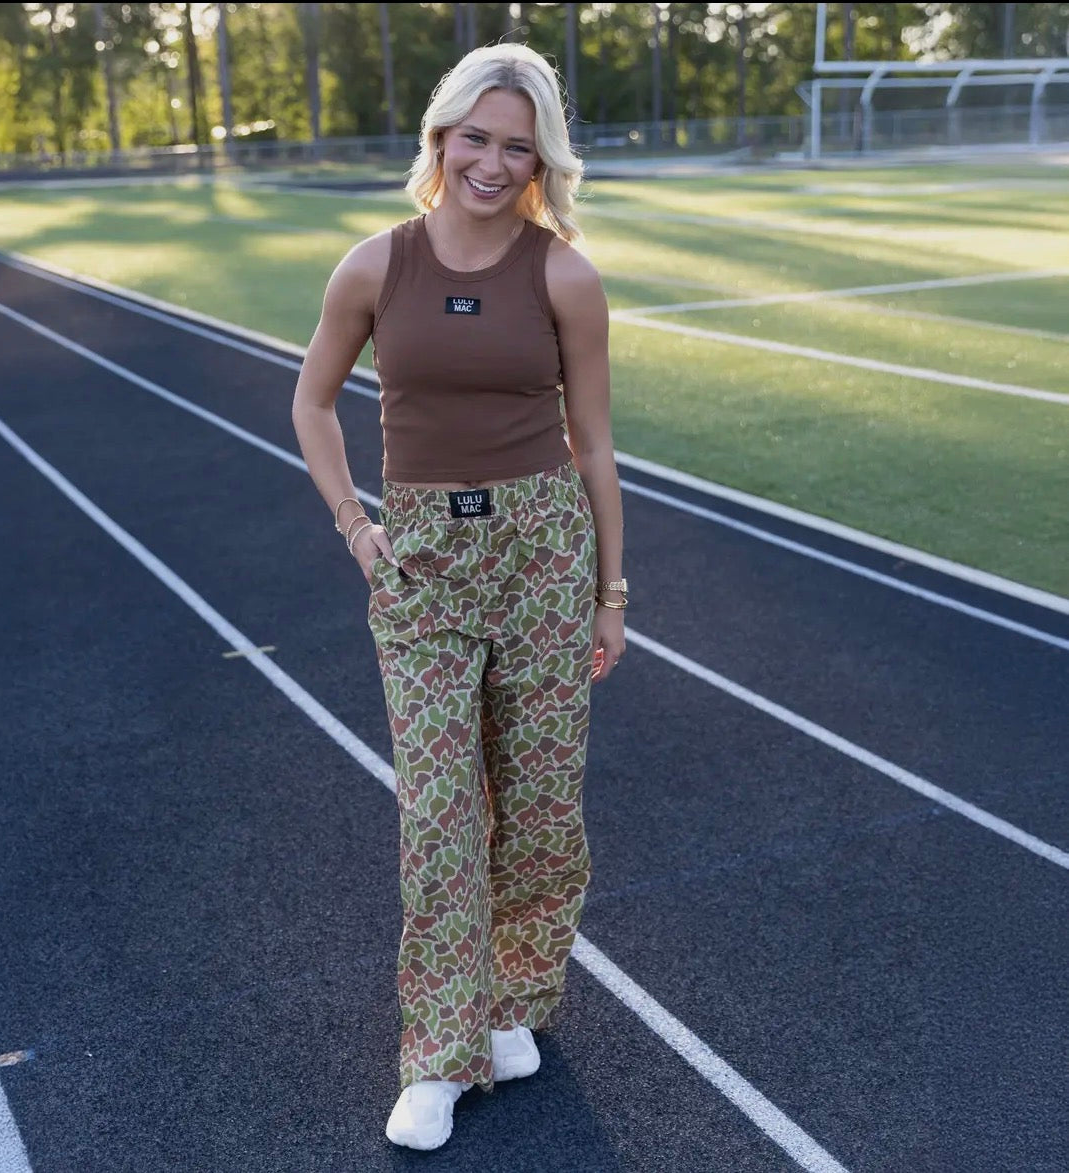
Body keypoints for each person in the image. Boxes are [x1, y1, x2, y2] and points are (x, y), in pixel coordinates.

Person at [292, 42, 627, 1152]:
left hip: (544, 551)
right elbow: (313, 403)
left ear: (541, 161)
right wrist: (355, 523)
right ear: (439, 138)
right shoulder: (374, 267)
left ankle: (514, 1003)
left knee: (539, 812)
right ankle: (438, 1055)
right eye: (474, 137)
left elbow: (595, 448)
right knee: (438, 814)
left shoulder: (565, 275)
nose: (491, 161)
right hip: (424, 561)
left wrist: (609, 592)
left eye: (516, 146)